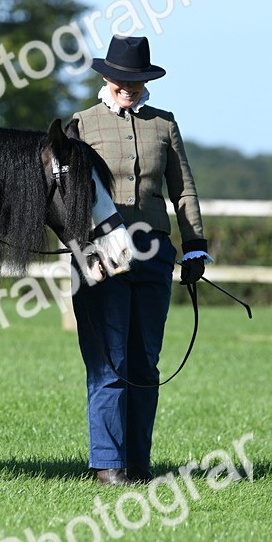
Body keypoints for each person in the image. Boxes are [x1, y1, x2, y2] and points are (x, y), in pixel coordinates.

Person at [70, 35, 212, 486]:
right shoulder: (81, 124)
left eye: (137, 81)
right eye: (122, 80)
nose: (128, 88)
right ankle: (108, 464)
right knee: (108, 361)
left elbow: (183, 190)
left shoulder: (164, 125)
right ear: (107, 77)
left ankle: (137, 462)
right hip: (101, 254)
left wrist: (194, 244)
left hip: (153, 252)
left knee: (143, 362)